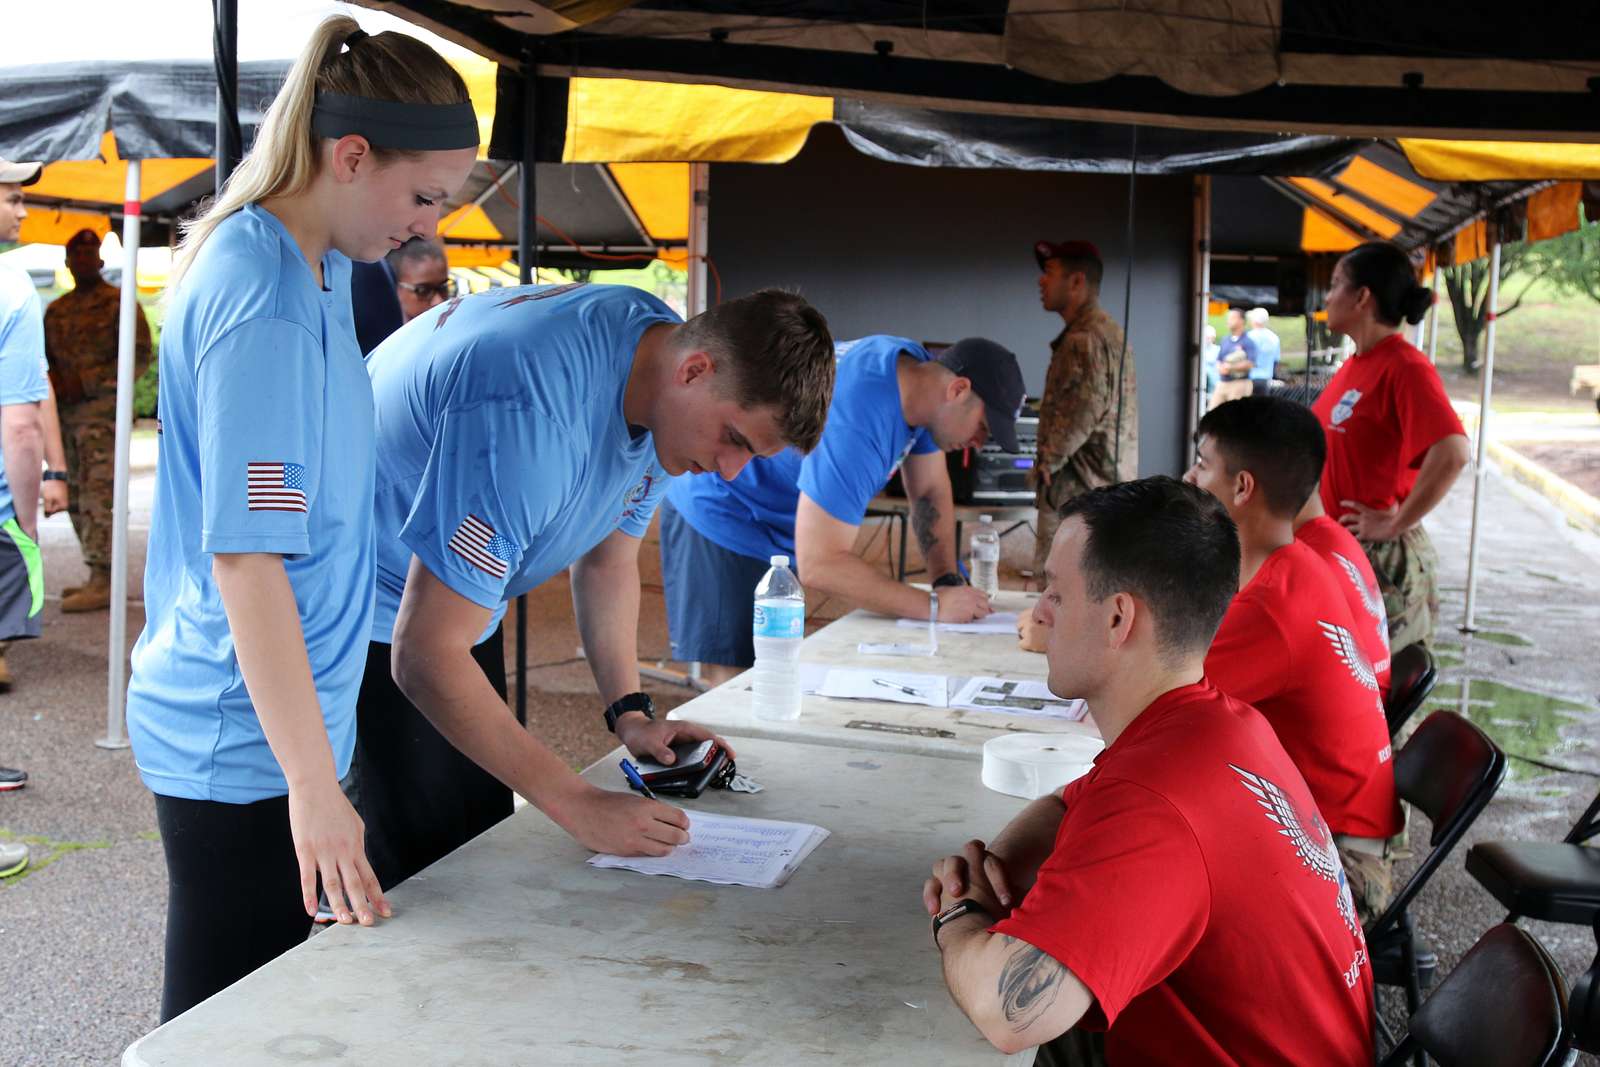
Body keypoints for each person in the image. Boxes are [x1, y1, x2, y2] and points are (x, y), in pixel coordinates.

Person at [123, 18, 478, 1021]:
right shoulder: (266, 298)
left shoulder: (312, 268)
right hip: (240, 735)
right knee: (224, 1022)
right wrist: (313, 786)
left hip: (272, 725)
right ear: (350, 155)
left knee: (267, 1014)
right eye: (422, 196)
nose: (426, 227)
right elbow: (249, 558)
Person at [357, 283, 836, 891]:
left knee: (476, 833)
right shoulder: (529, 413)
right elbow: (424, 656)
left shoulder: (660, 364)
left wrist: (631, 714)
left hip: (452, 600)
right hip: (360, 594)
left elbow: (609, 559)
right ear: (695, 370)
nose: (728, 469)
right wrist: (576, 801)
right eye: (734, 439)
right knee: (425, 871)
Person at [922, 477, 1374, 1065]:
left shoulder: (1159, 798)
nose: (1039, 613)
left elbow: (1009, 1013)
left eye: (1055, 594)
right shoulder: (1218, 722)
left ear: (1118, 619)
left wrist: (961, 911)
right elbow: (1069, 801)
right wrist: (996, 870)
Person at [660, 335, 1023, 682]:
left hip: (775, 515)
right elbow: (822, 563)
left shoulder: (917, 377)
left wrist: (946, 581)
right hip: (722, 505)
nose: (978, 444)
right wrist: (933, 607)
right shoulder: (857, 421)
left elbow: (928, 490)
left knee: (775, 667)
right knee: (738, 682)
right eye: (984, 428)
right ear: (957, 390)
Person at [1187, 396, 1400, 920]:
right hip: (1331, 823)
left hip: (1339, 854)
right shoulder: (1294, 562)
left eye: (1202, 464)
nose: (1189, 478)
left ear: (1242, 488)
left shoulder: (1277, 603)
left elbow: (1155, 698)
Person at [1311, 241, 1471, 651]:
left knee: (1383, 695)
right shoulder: (1356, 363)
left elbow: (1452, 452)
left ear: (1362, 297)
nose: (1327, 297)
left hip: (1382, 561)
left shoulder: (1405, 366)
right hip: (1346, 553)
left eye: (1335, 285)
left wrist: (1395, 522)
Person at [43, 227, 154, 612]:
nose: (84, 262)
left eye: (90, 256)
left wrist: (86, 382)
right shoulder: (56, 311)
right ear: (68, 263)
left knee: (99, 496)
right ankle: (94, 572)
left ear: (101, 262)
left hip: (103, 419)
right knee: (74, 495)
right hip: (66, 420)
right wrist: (59, 385)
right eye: (77, 256)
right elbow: (47, 366)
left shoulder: (120, 305)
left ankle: (105, 577)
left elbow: (139, 357)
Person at [0, 158, 68, 701]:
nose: (24, 210)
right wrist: (25, 520)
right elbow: (21, 424)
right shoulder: (13, 287)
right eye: (12, 198)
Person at [1031, 239, 1137, 583]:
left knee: (1059, 590)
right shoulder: (1107, 331)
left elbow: (1084, 407)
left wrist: (1049, 459)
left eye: (1049, 273)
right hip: (1104, 489)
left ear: (1076, 282)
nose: (1041, 281)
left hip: (1078, 492)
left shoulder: (1084, 339)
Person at [1297, 486, 1391, 693]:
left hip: (1360, 705)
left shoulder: (1306, 562)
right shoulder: (1329, 536)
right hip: (1369, 704)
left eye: (1206, 466)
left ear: (1244, 487)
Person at [1209, 307, 1258, 407]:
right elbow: (1219, 359)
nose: (1228, 320)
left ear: (1241, 321)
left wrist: (1230, 367)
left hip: (1240, 384)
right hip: (1223, 383)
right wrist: (1220, 368)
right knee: (1212, 411)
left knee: (1235, 416)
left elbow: (1250, 363)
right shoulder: (1225, 340)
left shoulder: (1248, 341)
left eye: (1232, 318)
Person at [1245, 307, 1281, 392]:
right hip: (1266, 380)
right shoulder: (1274, 337)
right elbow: (1276, 360)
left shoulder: (1248, 337)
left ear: (1253, 321)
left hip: (1248, 379)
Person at [1200, 323, 1219, 407]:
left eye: (1211, 337)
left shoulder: (1217, 350)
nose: (1209, 340)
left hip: (1213, 385)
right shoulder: (1200, 349)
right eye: (1207, 337)